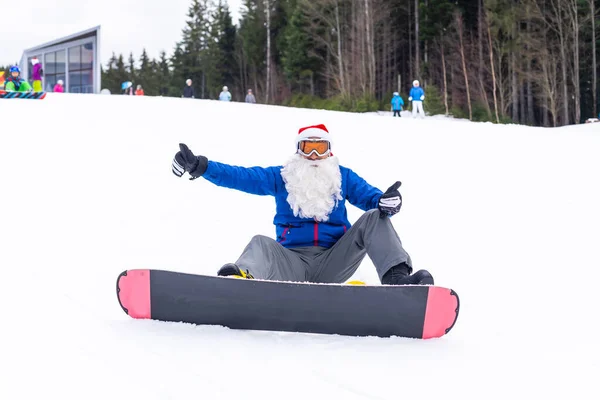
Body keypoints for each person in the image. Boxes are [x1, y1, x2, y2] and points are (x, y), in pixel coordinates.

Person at [171, 123, 433, 286]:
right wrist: (202, 166)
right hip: (291, 262)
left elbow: (372, 199)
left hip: (334, 260)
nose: (315, 156)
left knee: (375, 216)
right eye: (309, 147)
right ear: (298, 150)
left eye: (321, 148)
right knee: (260, 242)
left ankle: (398, 279)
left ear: (330, 151)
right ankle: (240, 281)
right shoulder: (281, 176)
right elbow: (242, 176)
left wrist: (386, 202)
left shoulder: (343, 177)